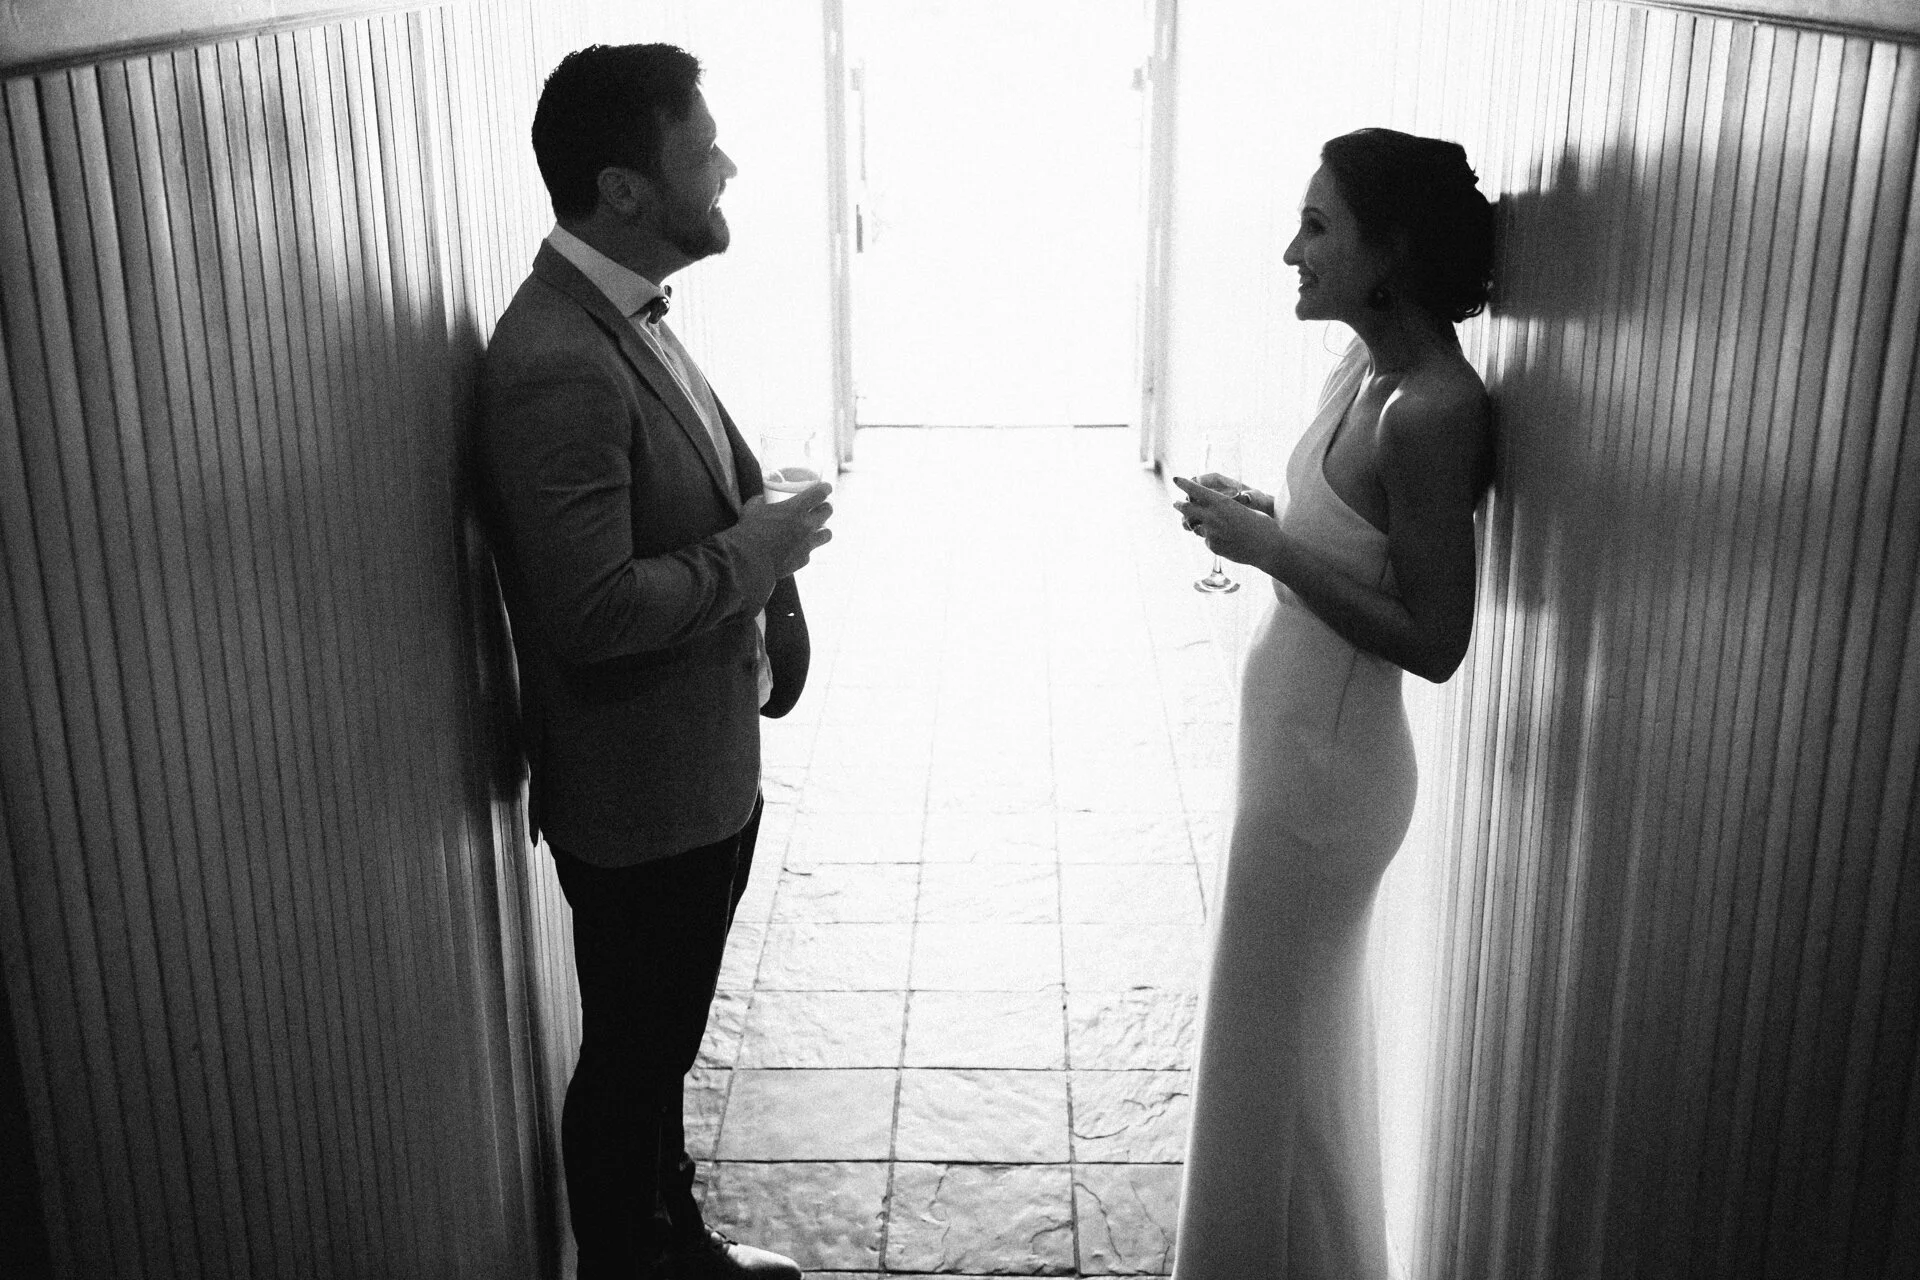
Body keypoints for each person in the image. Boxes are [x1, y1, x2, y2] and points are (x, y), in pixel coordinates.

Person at [477, 43, 833, 1280]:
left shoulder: (622, 311)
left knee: (659, 1044)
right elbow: (591, 609)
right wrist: (762, 550)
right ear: (626, 189)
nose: (727, 163)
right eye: (702, 146)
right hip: (641, 795)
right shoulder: (556, 362)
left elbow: (707, 485)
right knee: (632, 1051)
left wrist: (774, 594)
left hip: (694, 767)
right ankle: (634, 1260)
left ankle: (672, 1239)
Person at [1168, 127, 1496, 1278]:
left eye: (1318, 226)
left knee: (1275, 1052)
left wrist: (1265, 547)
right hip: (1293, 751)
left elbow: (1436, 639)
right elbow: (1354, 541)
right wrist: (1268, 514)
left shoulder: (1433, 407)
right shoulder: (1359, 367)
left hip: (1333, 777)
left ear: (1389, 250)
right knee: (1279, 1053)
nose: (1290, 250)